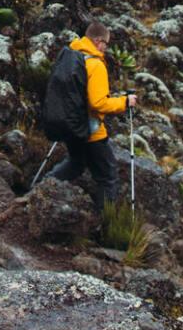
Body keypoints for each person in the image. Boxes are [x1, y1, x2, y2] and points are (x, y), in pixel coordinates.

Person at [40, 19, 137, 210]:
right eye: (106, 44)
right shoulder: (96, 64)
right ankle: (106, 223)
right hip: (91, 131)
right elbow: (98, 103)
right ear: (99, 41)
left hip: (70, 124)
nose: (106, 49)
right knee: (108, 176)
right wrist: (125, 102)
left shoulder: (71, 56)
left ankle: (40, 188)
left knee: (76, 163)